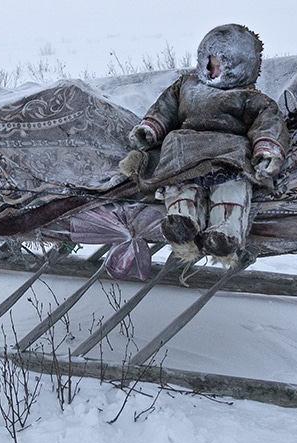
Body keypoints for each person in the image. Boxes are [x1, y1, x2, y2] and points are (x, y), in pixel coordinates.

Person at [119, 24, 287, 266]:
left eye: (220, 64)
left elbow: (269, 125)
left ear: (240, 65)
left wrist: (266, 150)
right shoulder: (186, 86)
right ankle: (182, 223)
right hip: (185, 149)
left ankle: (225, 233)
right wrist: (151, 129)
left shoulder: (251, 98)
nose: (211, 69)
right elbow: (165, 108)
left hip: (227, 153)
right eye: (208, 62)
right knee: (178, 180)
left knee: (232, 185)